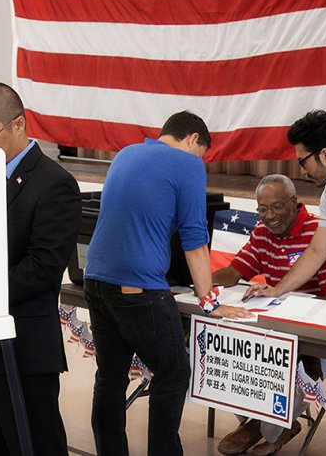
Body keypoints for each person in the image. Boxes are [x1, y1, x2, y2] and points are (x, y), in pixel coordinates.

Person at [83, 111, 252, 456]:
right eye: (202, 153)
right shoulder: (187, 164)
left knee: (111, 377)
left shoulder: (126, 153)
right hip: (137, 288)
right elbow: (194, 239)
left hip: (95, 279)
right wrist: (211, 302)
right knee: (174, 371)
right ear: (193, 139)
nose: (200, 163)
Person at [0, 83, 81, 455]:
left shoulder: (54, 183)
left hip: (23, 344)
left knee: (34, 444)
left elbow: (42, 268)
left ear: (19, 125)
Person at [213, 174, 326, 456]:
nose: (270, 216)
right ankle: (263, 422)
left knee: (289, 363)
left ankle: (264, 426)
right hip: (276, 330)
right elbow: (235, 272)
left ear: (294, 203)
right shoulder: (261, 232)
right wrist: (201, 282)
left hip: (316, 339)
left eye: (277, 207)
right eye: (262, 209)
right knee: (232, 350)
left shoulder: (320, 232)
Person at [245, 110, 326, 301]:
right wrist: (276, 290)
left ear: (325, 154)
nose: (302, 172)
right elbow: (317, 251)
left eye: (303, 162)